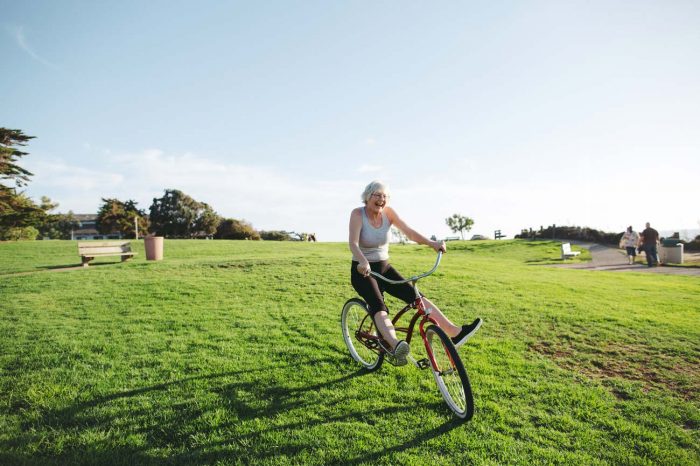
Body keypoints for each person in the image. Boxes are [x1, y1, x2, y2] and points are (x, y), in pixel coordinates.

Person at [348, 180, 482, 366]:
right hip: (363, 270)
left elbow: (410, 233)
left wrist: (433, 244)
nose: (381, 199)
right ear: (367, 196)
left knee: (416, 296)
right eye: (377, 195)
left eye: (384, 196)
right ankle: (396, 346)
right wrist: (362, 261)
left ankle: (455, 333)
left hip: (384, 267)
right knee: (378, 305)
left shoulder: (389, 213)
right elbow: (353, 243)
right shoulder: (357, 214)